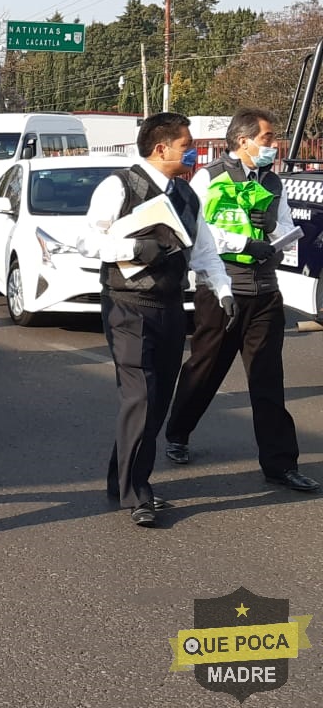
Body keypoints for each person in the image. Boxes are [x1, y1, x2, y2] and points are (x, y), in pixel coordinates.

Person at [80, 112, 236, 527]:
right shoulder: (120, 185)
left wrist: (222, 289)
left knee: (157, 399)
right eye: (187, 145)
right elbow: (87, 238)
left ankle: (121, 478)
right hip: (127, 304)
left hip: (169, 306)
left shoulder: (186, 196)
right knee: (141, 396)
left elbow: (203, 250)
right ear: (161, 147)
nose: (193, 151)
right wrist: (130, 248)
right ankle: (138, 493)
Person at [164, 109, 319, 492]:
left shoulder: (272, 181)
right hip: (222, 289)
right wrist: (242, 243)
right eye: (267, 138)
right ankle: (178, 432)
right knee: (206, 367)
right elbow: (199, 231)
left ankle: (280, 465)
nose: (273, 145)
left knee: (268, 380)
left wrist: (275, 232)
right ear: (243, 140)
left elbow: (287, 227)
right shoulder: (210, 176)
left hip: (265, 291)